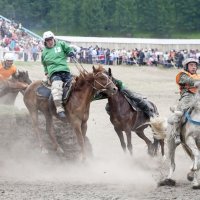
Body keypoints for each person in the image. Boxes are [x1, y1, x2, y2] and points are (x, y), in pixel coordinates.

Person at [41, 31, 75, 119]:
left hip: (65, 71)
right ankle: (60, 110)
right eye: (47, 40)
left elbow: (68, 49)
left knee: (76, 85)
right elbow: (44, 64)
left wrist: (71, 52)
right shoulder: (44, 52)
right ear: (45, 41)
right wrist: (46, 72)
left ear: (53, 38)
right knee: (57, 88)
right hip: (54, 74)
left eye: (51, 39)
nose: (50, 41)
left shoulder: (61, 44)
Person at [170, 57, 200, 145]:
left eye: (195, 65)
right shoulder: (182, 75)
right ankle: (176, 134)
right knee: (180, 113)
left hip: (198, 96)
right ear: (186, 67)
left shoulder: (198, 75)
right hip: (187, 96)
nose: (194, 67)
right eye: (191, 65)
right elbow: (191, 81)